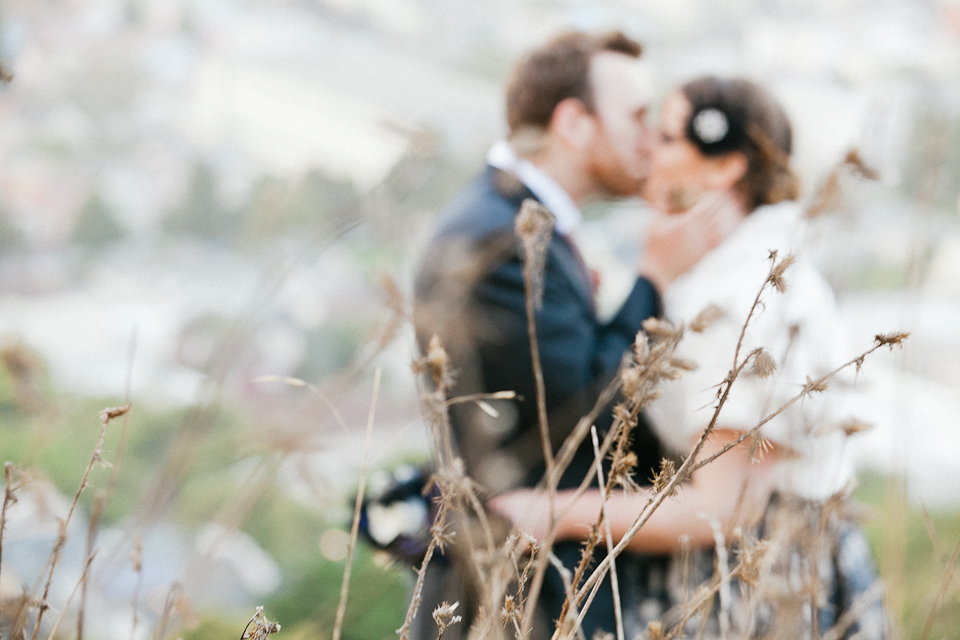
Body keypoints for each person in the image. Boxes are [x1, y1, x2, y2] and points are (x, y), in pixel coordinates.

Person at [492, 77, 889, 639]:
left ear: (725, 166)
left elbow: (725, 508)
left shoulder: (737, 300)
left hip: (755, 588)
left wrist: (546, 511)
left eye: (667, 136)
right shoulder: (745, 268)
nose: (647, 149)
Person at [411, 33, 738, 640]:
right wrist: (653, 280)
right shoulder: (500, 242)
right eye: (637, 116)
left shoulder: (513, 219)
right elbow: (584, 414)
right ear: (574, 122)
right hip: (513, 596)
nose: (651, 140)